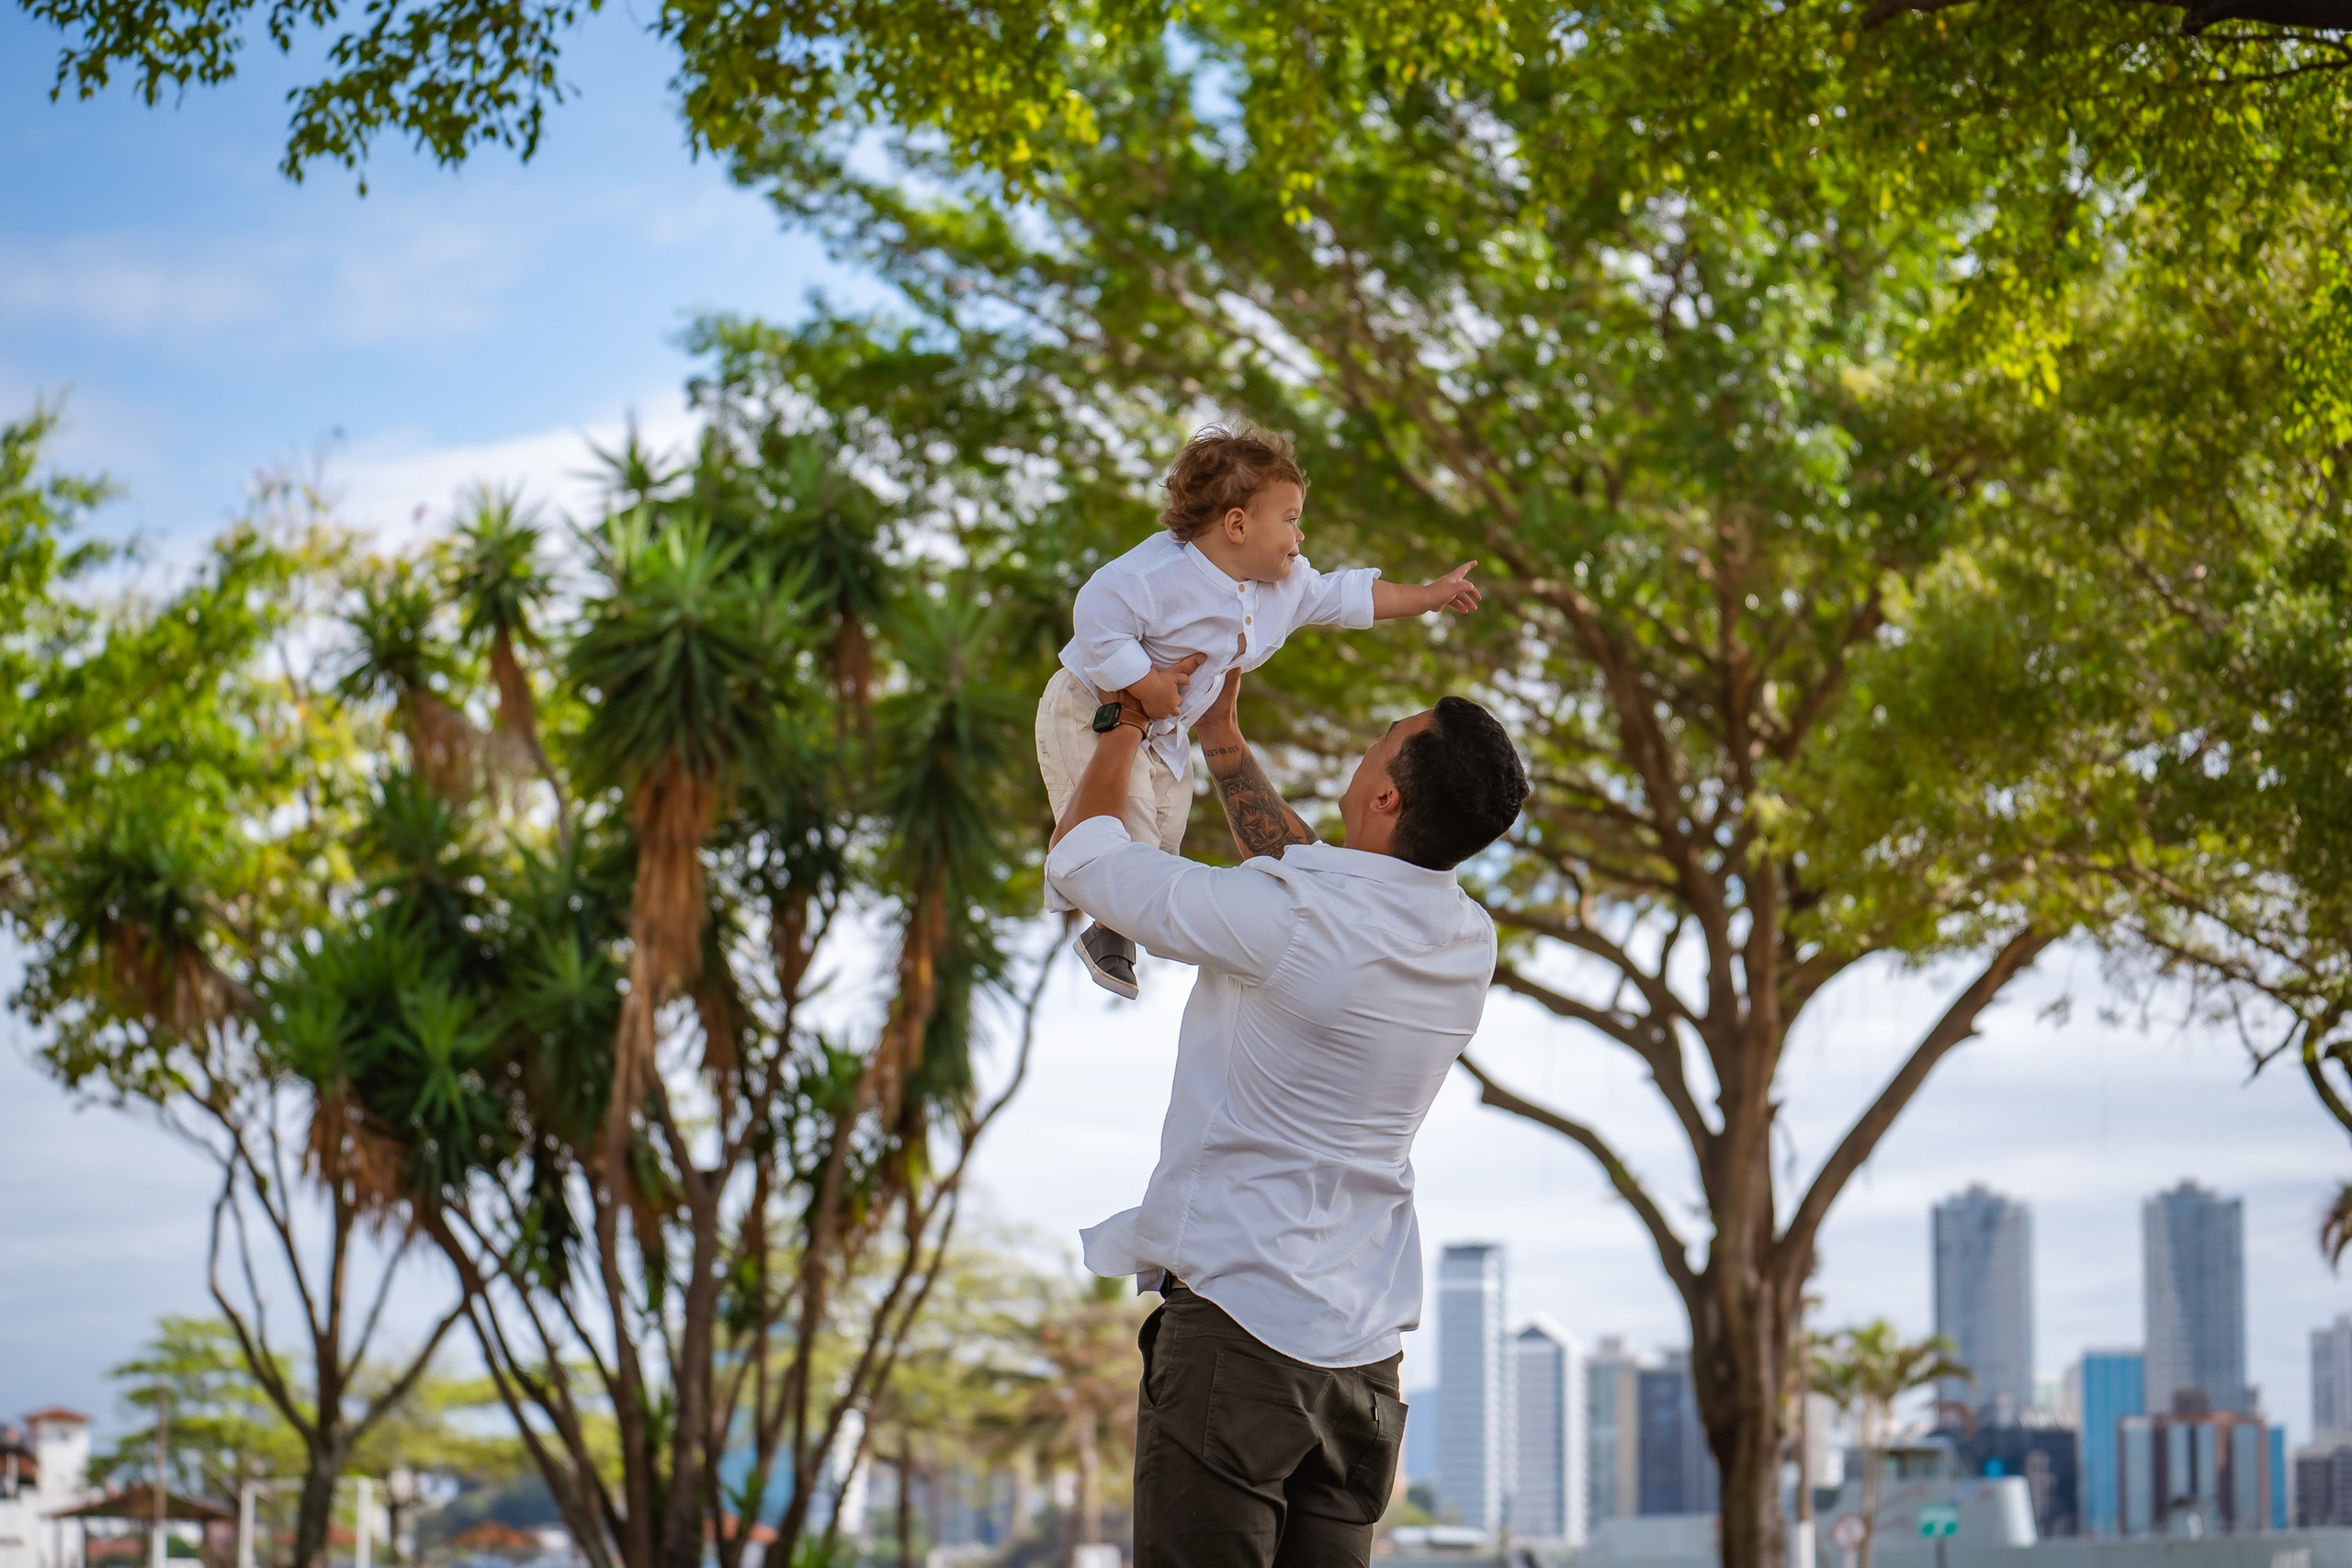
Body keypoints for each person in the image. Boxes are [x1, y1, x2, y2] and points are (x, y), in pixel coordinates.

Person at [1044, 658, 1530, 1568]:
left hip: (1242, 1336)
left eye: (1379, 743)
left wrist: (1122, 723)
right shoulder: (1466, 941)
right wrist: (1222, 743)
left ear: (1384, 796)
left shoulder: (1290, 919)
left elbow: (1084, 860)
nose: (1362, 751)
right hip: (1364, 1368)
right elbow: (1314, 885)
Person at [1035, 421, 1483, 999]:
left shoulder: (1287, 585)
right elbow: (1096, 619)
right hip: (1090, 709)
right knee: (1126, 818)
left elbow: (1348, 596)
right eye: (1291, 518)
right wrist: (1142, 683)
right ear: (1238, 525)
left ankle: (1112, 921)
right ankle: (1104, 918)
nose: (1301, 534)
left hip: (1166, 730)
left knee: (1167, 828)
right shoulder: (1155, 574)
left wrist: (1426, 596)